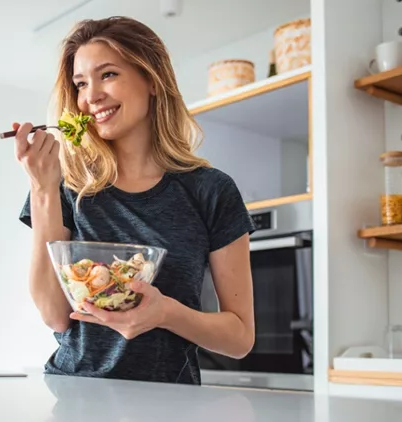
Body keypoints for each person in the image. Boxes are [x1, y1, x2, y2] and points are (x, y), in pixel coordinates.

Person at [13, 16, 256, 386]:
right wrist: (43, 189)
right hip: (75, 393)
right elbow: (55, 315)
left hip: (170, 403)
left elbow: (240, 338)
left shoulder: (212, 191)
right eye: (81, 83)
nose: (91, 96)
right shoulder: (64, 185)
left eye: (108, 74)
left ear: (152, 80)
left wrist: (165, 313)